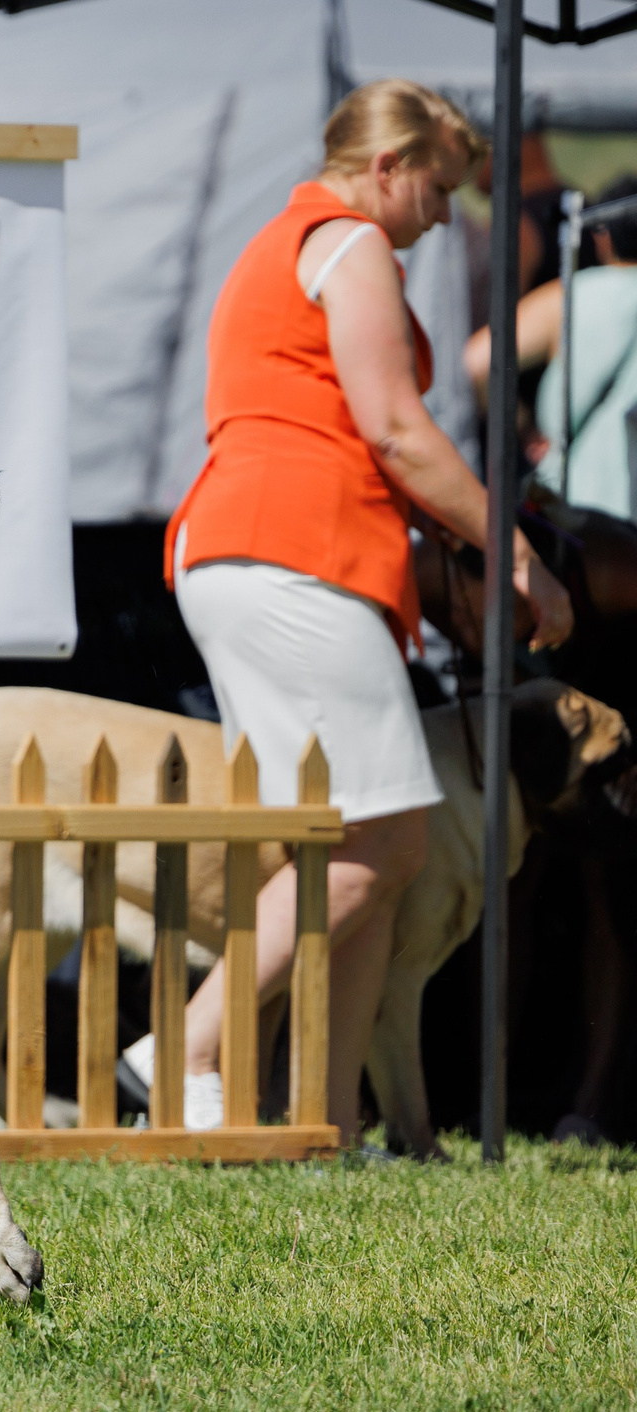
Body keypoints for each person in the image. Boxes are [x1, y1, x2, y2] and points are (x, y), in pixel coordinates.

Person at [162, 78, 573, 1136]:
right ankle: (189, 1047)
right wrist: (515, 552)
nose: (444, 215)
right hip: (289, 552)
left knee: (356, 850)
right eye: (437, 188)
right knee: (388, 843)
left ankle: (328, 1121)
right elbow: (396, 429)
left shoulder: (288, 240)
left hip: (253, 550)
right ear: (385, 168)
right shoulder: (350, 246)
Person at [464, 175, 637, 518]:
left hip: (571, 504)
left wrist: (523, 426)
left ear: (602, 237)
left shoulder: (570, 296)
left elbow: (476, 364)